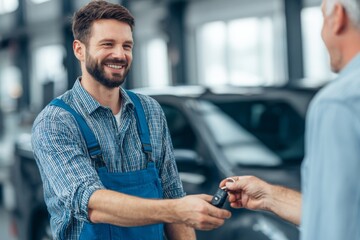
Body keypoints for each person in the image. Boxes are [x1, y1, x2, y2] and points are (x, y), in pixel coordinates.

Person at [31, 1, 231, 239]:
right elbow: (91, 203)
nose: (120, 54)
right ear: (79, 49)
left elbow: (172, 193)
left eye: (127, 45)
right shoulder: (56, 122)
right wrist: (178, 210)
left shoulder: (150, 112)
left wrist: (179, 211)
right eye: (108, 44)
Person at [220, 0, 360, 239]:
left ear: (338, 16)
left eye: (322, 20)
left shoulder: (339, 102)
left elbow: (333, 227)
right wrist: (269, 196)